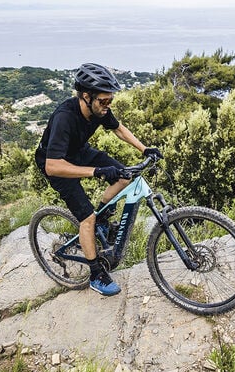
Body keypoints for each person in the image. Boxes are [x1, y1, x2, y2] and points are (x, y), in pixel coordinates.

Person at [35, 63, 163, 296]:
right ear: (86, 96)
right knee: (86, 219)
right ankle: (96, 275)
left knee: (125, 176)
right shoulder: (65, 117)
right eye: (104, 101)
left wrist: (145, 149)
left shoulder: (98, 110)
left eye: (110, 101)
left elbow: (119, 128)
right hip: (57, 164)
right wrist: (97, 171)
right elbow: (52, 166)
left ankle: (101, 220)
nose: (108, 106)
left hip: (79, 151)